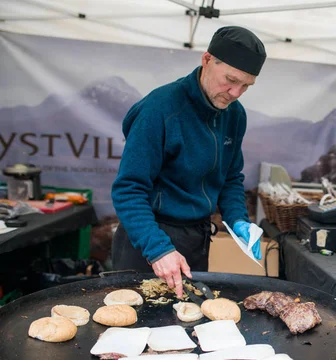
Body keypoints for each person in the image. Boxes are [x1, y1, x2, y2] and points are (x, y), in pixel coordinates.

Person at [111, 26, 267, 298]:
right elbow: (128, 190)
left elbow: (230, 177)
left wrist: (238, 219)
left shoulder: (234, 115)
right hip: (148, 238)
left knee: (189, 326)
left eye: (246, 86)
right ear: (207, 60)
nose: (235, 93)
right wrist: (158, 249)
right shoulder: (160, 109)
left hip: (196, 238)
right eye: (230, 80)